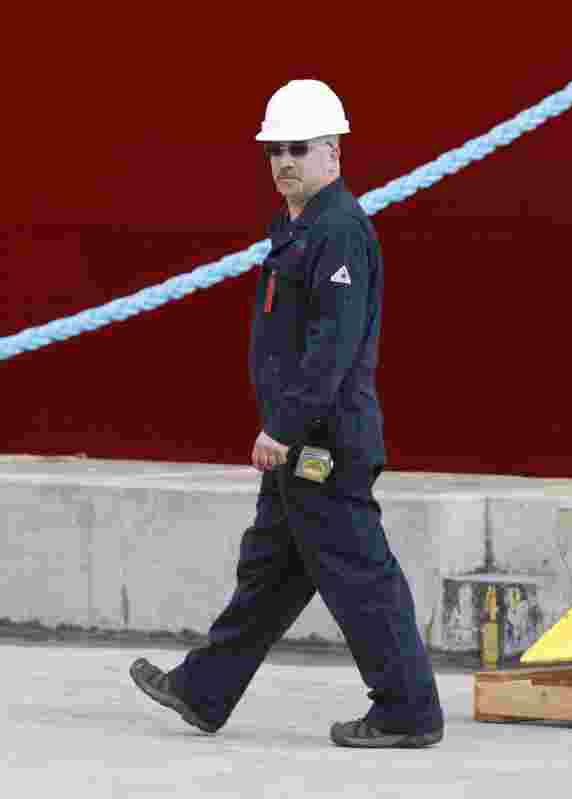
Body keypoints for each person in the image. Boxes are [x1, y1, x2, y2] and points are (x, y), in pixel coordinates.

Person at [129, 79, 445, 748]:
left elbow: (330, 349)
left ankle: (408, 710)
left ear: (333, 151)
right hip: (304, 446)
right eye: (273, 149)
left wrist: (283, 427)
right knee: (269, 575)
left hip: (322, 444)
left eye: (297, 147)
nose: (283, 161)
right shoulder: (301, 229)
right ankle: (203, 689)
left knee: (362, 579)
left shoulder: (338, 231)